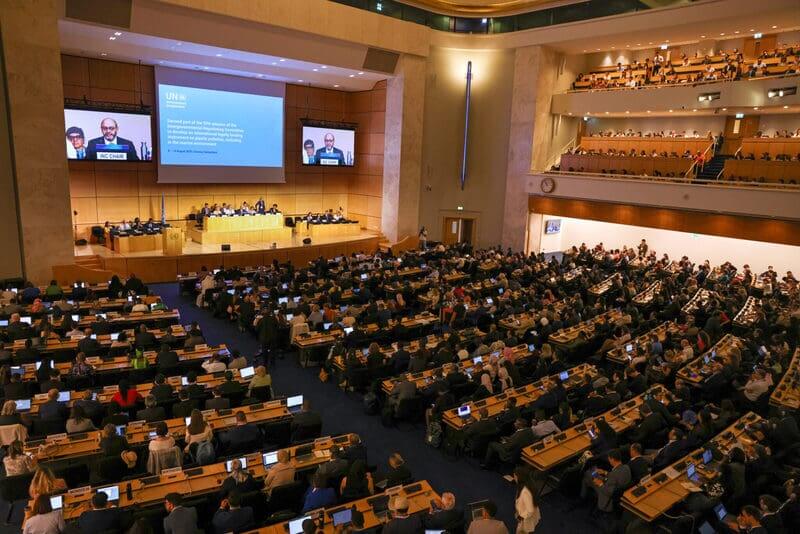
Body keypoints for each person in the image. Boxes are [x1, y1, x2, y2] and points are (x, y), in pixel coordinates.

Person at [581, 448, 631, 513]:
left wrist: (600, 484)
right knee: (595, 474)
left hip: (608, 500)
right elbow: (616, 476)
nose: (609, 460)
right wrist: (605, 472)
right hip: (619, 493)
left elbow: (609, 492)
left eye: (609, 459)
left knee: (587, 477)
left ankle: (582, 498)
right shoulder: (626, 467)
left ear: (612, 459)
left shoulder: (613, 475)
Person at [514, 466, 540, 533]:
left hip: (526, 517)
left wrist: (521, 517)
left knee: (523, 531)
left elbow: (530, 511)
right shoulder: (528, 484)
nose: (514, 478)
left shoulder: (525, 492)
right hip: (526, 513)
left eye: (515, 476)